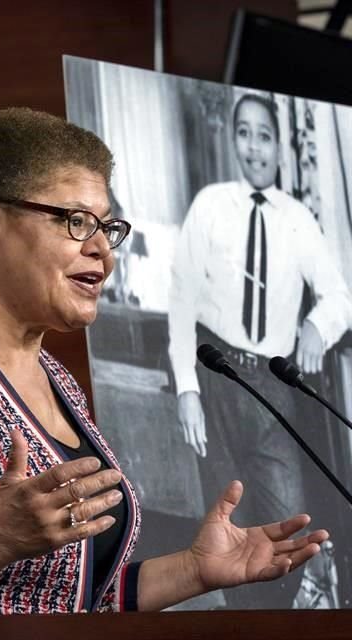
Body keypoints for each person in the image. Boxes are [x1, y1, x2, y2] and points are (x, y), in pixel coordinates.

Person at [0, 107, 328, 639]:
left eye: (107, 228)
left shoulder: (58, 381)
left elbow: (68, 596)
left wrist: (195, 569)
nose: (103, 253)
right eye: (76, 221)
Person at [168, 93, 352, 608]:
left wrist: (316, 326)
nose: (254, 146)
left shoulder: (298, 218)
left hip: (271, 388)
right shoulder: (209, 205)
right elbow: (181, 299)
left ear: (278, 149)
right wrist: (186, 388)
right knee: (226, 530)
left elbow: (341, 295)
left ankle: (281, 612)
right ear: (234, 140)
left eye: (264, 135)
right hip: (216, 374)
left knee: (289, 521)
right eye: (244, 132)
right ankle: (242, 620)